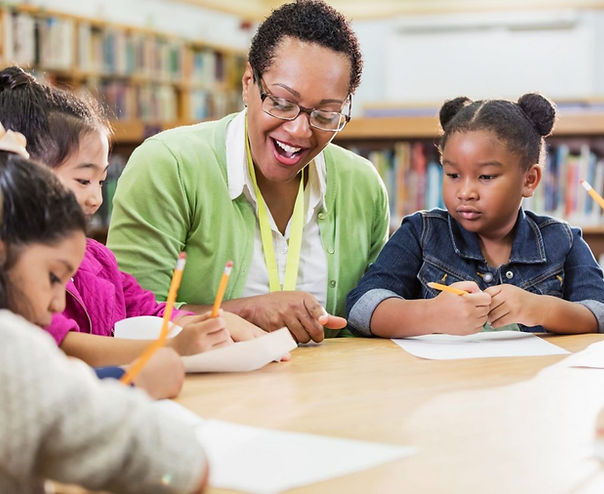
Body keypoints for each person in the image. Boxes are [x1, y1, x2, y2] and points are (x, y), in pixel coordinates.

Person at [106, 0, 390, 344]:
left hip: (327, 393)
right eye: (282, 103)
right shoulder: (168, 166)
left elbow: (368, 317)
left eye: (326, 114)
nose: (300, 131)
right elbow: (124, 319)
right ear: (248, 82)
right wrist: (247, 311)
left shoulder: (363, 185)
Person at [0, 65, 268, 368]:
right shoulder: (16, 271)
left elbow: (145, 308)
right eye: (83, 181)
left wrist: (204, 324)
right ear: (26, 174)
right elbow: (60, 347)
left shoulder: (98, 258)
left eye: (101, 182)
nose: (96, 199)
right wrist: (172, 348)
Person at [0, 148, 208, 493]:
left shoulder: (98, 257)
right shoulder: (12, 350)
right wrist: (135, 377)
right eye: (53, 277)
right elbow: (182, 468)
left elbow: (144, 304)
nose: (57, 303)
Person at [345, 94, 604, 337]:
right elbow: (362, 308)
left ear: (529, 180)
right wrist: (432, 314)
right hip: (439, 388)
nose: (465, 192)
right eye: (453, 175)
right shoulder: (421, 233)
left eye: (486, 177)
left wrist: (540, 309)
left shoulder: (563, 241)